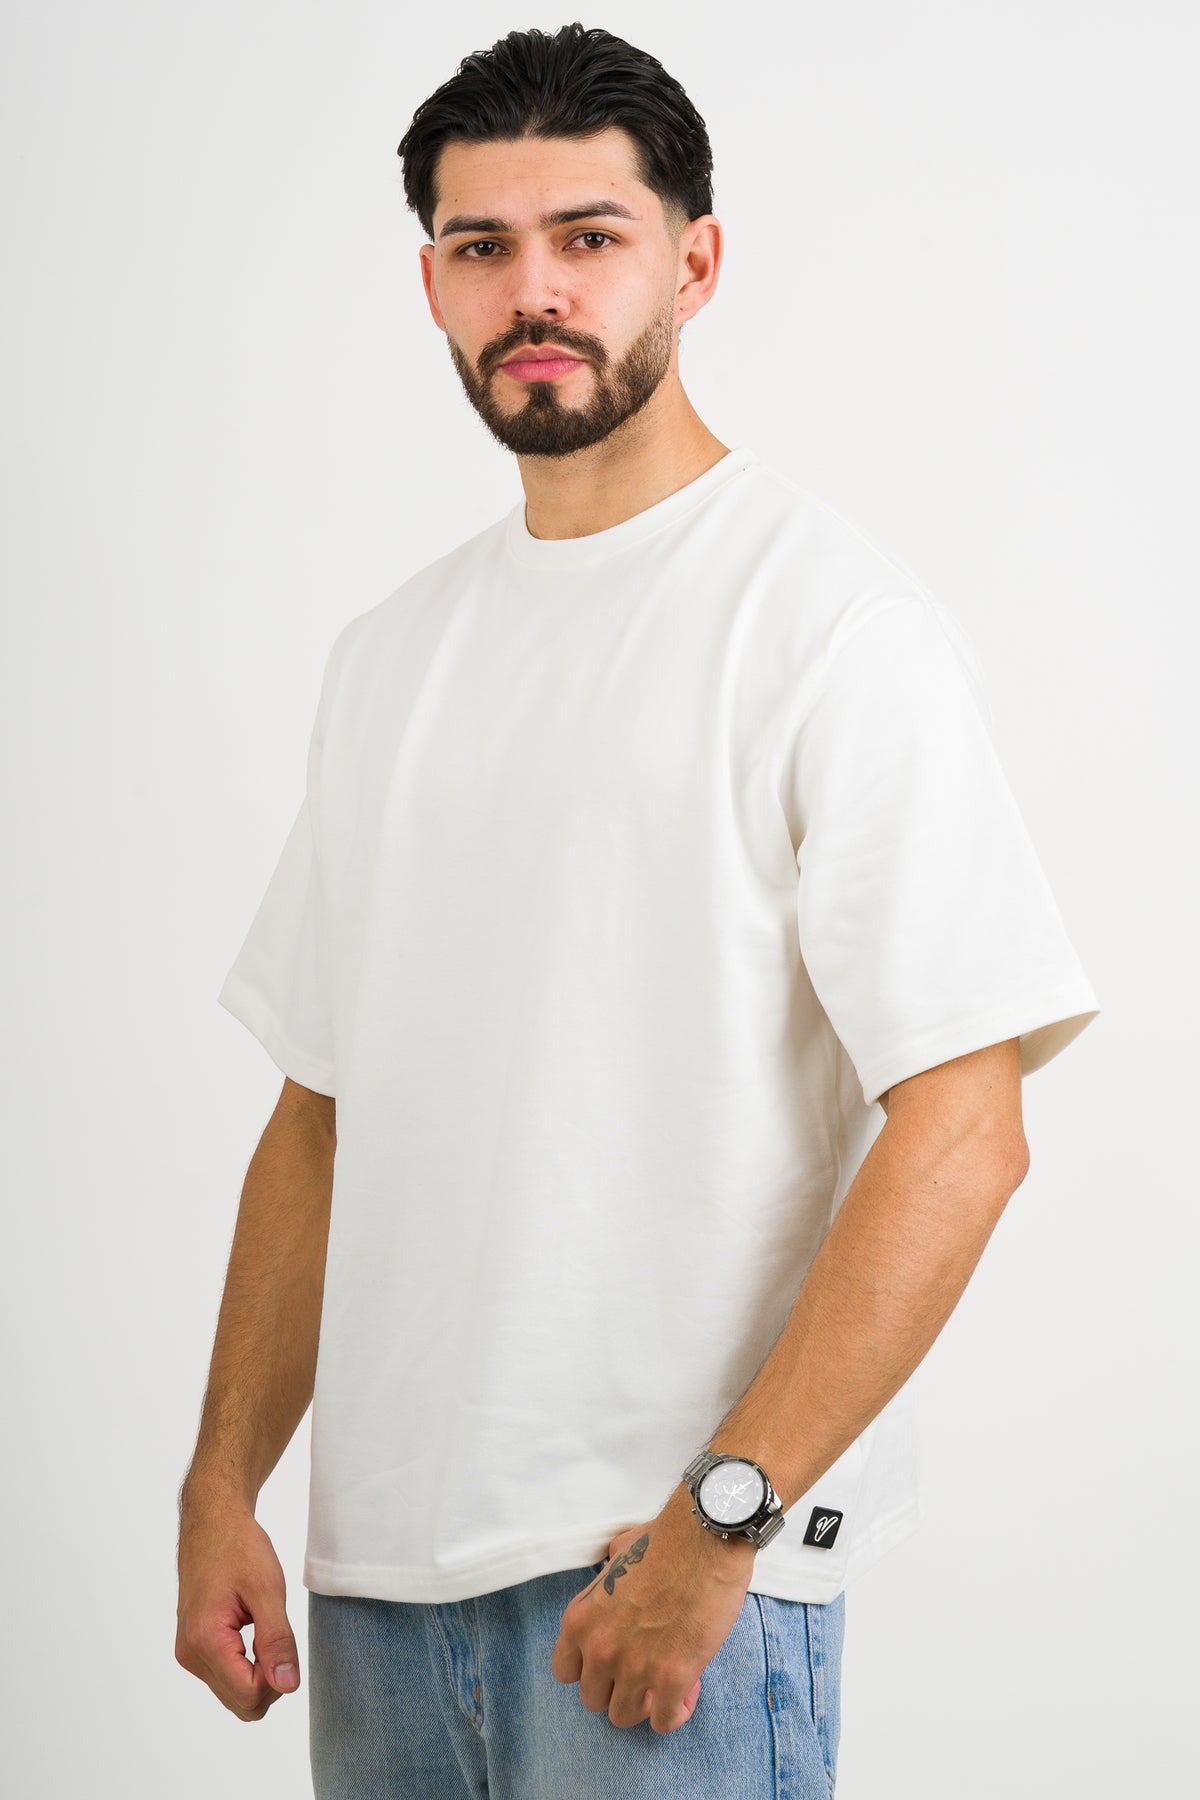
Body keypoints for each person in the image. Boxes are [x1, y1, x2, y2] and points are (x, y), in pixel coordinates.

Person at [175, 22, 1101, 1798]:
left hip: (663, 1584)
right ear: (433, 287)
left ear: (697, 260)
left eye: (588, 237)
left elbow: (966, 1130)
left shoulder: (830, 625)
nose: (535, 290)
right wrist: (224, 1485)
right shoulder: (389, 658)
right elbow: (318, 1117)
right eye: (483, 245)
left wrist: (724, 1519)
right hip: (379, 1599)